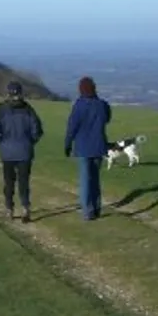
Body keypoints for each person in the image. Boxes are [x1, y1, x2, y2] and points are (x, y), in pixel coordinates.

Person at [0, 80, 44, 222]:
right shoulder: (29, 110)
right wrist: (30, 142)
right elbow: (37, 131)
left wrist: (2, 143)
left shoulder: (1, 110)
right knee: (23, 182)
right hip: (25, 151)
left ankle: (9, 209)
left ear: (8, 93)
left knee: (9, 182)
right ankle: (25, 208)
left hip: (7, 152)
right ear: (21, 93)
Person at [64, 76, 112, 220]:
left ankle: (87, 211)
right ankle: (96, 208)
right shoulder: (102, 105)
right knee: (95, 179)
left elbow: (72, 127)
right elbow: (107, 119)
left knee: (85, 180)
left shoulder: (79, 106)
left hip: (83, 147)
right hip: (98, 146)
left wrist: (67, 144)